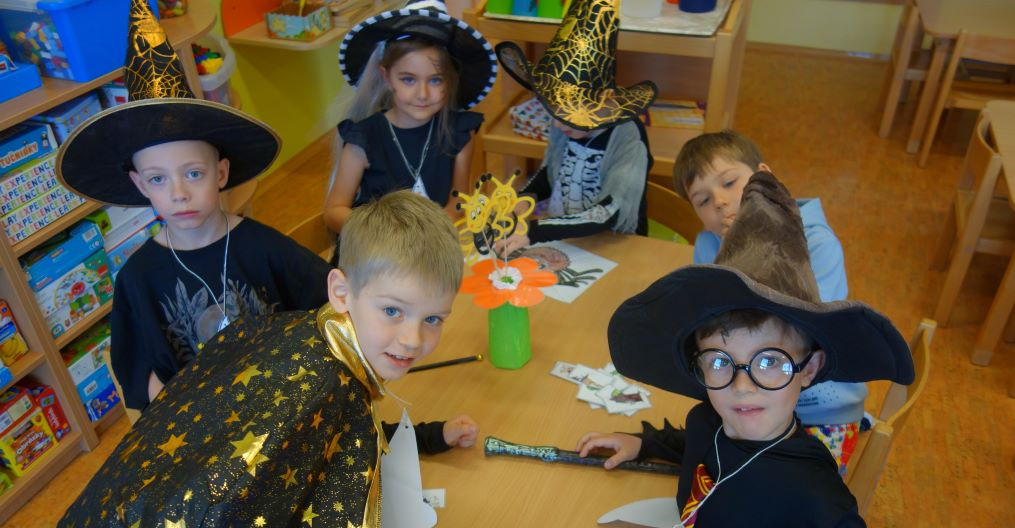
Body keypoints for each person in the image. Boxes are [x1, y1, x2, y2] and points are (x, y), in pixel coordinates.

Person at [18, 189, 479, 528]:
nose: (413, 338)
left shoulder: (304, 334)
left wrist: (428, 437)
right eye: (393, 311)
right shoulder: (322, 386)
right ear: (342, 292)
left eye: (433, 319)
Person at [576, 172, 914, 528]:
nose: (741, 387)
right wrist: (645, 441)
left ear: (810, 368)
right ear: (697, 365)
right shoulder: (708, 419)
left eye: (770, 362)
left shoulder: (813, 499)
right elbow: (696, 441)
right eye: (719, 361)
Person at [56, 0, 331, 412]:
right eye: (158, 179)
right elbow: (144, 379)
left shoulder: (263, 247)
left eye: (194, 173)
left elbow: (328, 304)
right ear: (140, 185)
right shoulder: (138, 279)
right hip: (202, 422)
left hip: (284, 404)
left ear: (221, 173)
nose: (179, 193)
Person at [672, 130, 864, 473]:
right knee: (710, 465)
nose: (719, 202)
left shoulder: (818, 244)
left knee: (777, 486)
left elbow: (806, 325)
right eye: (703, 200)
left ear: (764, 176)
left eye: (729, 182)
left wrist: (745, 249)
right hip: (745, 396)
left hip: (820, 410)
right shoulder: (708, 245)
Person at [324, 0, 497, 261]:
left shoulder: (459, 133)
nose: (422, 94)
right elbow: (334, 212)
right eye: (408, 79)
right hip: (375, 256)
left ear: (450, 80)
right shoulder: (364, 139)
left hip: (432, 251)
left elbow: (459, 200)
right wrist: (390, 237)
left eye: (435, 80)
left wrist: (431, 235)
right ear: (386, 76)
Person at [491, 0, 656, 255]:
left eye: (568, 115)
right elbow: (550, 172)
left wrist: (535, 232)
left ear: (605, 99)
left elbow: (609, 212)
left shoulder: (627, 137)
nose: (557, 124)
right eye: (554, 112)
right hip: (565, 240)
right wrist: (523, 198)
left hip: (613, 246)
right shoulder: (564, 123)